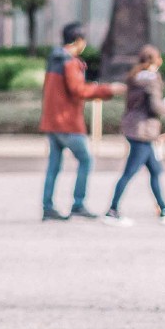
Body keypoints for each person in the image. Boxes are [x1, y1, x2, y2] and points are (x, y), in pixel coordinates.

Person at [40, 22, 121, 221]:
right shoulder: (69, 62)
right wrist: (107, 90)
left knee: (54, 165)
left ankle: (47, 206)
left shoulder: (54, 58)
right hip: (68, 122)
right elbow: (79, 90)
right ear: (78, 40)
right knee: (86, 160)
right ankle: (78, 203)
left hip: (52, 122)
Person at [103, 45, 165, 226]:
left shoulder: (134, 77)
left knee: (155, 170)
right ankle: (112, 210)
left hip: (133, 128)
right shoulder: (152, 79)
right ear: (155, 60)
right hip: (144, 131)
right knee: (129, 172)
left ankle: (164, 209)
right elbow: (156, 107)